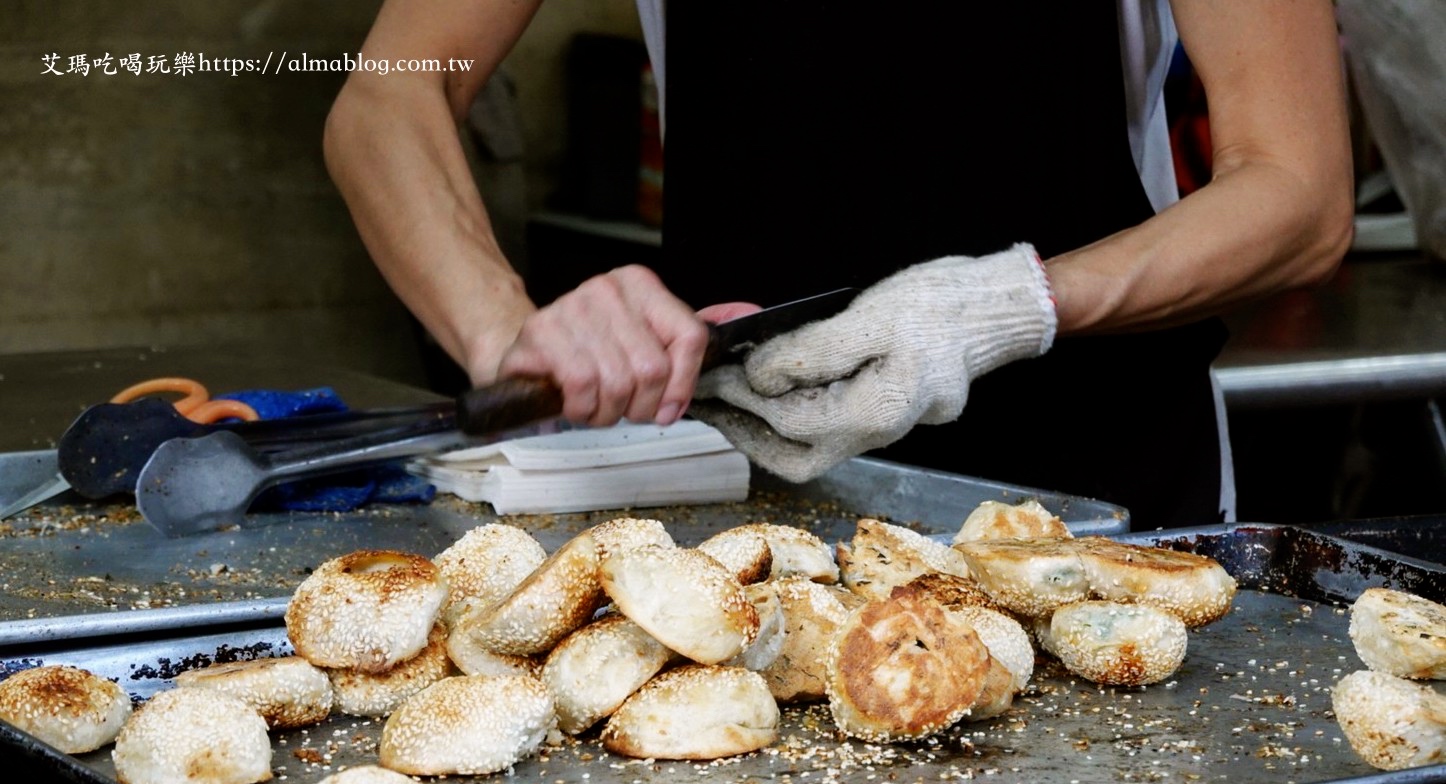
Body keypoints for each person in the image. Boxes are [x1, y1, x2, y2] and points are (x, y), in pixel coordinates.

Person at [323, 1, 1353, 530]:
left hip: (1101, 502)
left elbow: (1297, 191)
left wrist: (1005, 304)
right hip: (753, 500)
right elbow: (389, 98)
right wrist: (503, 328)